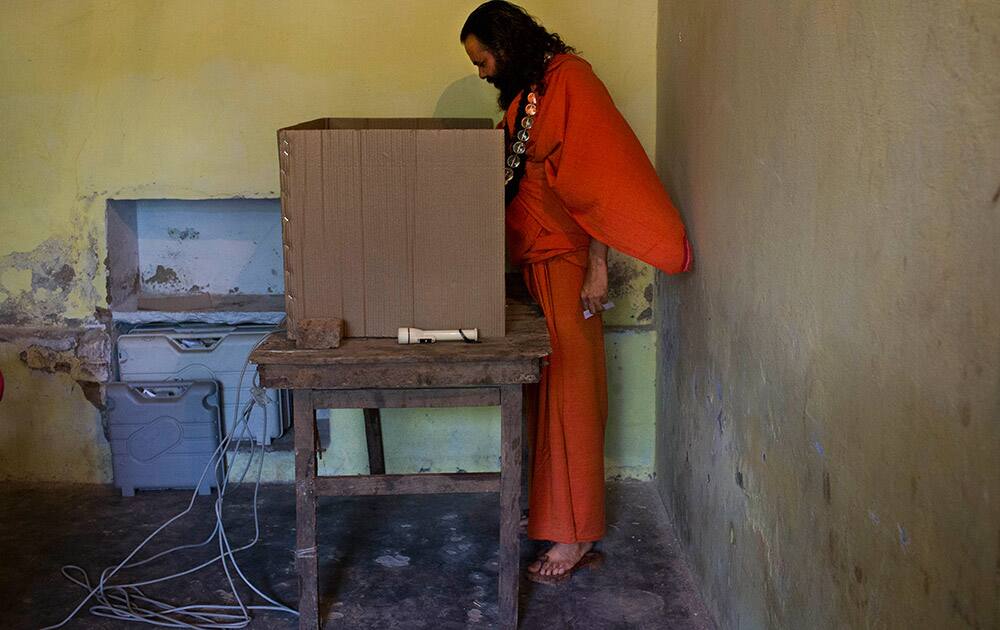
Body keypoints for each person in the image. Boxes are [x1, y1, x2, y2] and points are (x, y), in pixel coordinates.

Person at [460, 1, 691, 582]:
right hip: (533, 258)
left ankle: (577, 534)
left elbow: (598, 183)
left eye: (483, 60)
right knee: (545, 389)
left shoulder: (571, 81)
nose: (482, 73)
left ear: (506, 45)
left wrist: (596, 263)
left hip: (567, 259)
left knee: (573, 390)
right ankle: (551, 514)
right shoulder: (528, 92)